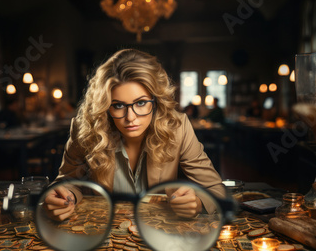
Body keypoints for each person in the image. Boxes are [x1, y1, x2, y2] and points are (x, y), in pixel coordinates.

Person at [44, 49, 226, 221]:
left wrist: (198, 203)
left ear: (156, 101)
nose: (130, 118)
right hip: (103, 233)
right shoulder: (85, 129)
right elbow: (67, 182)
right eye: (118, 105)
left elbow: (215, 189)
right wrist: (62, 197)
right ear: (105, 107)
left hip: (161, 232)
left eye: (140, 103)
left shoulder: (178, 127)